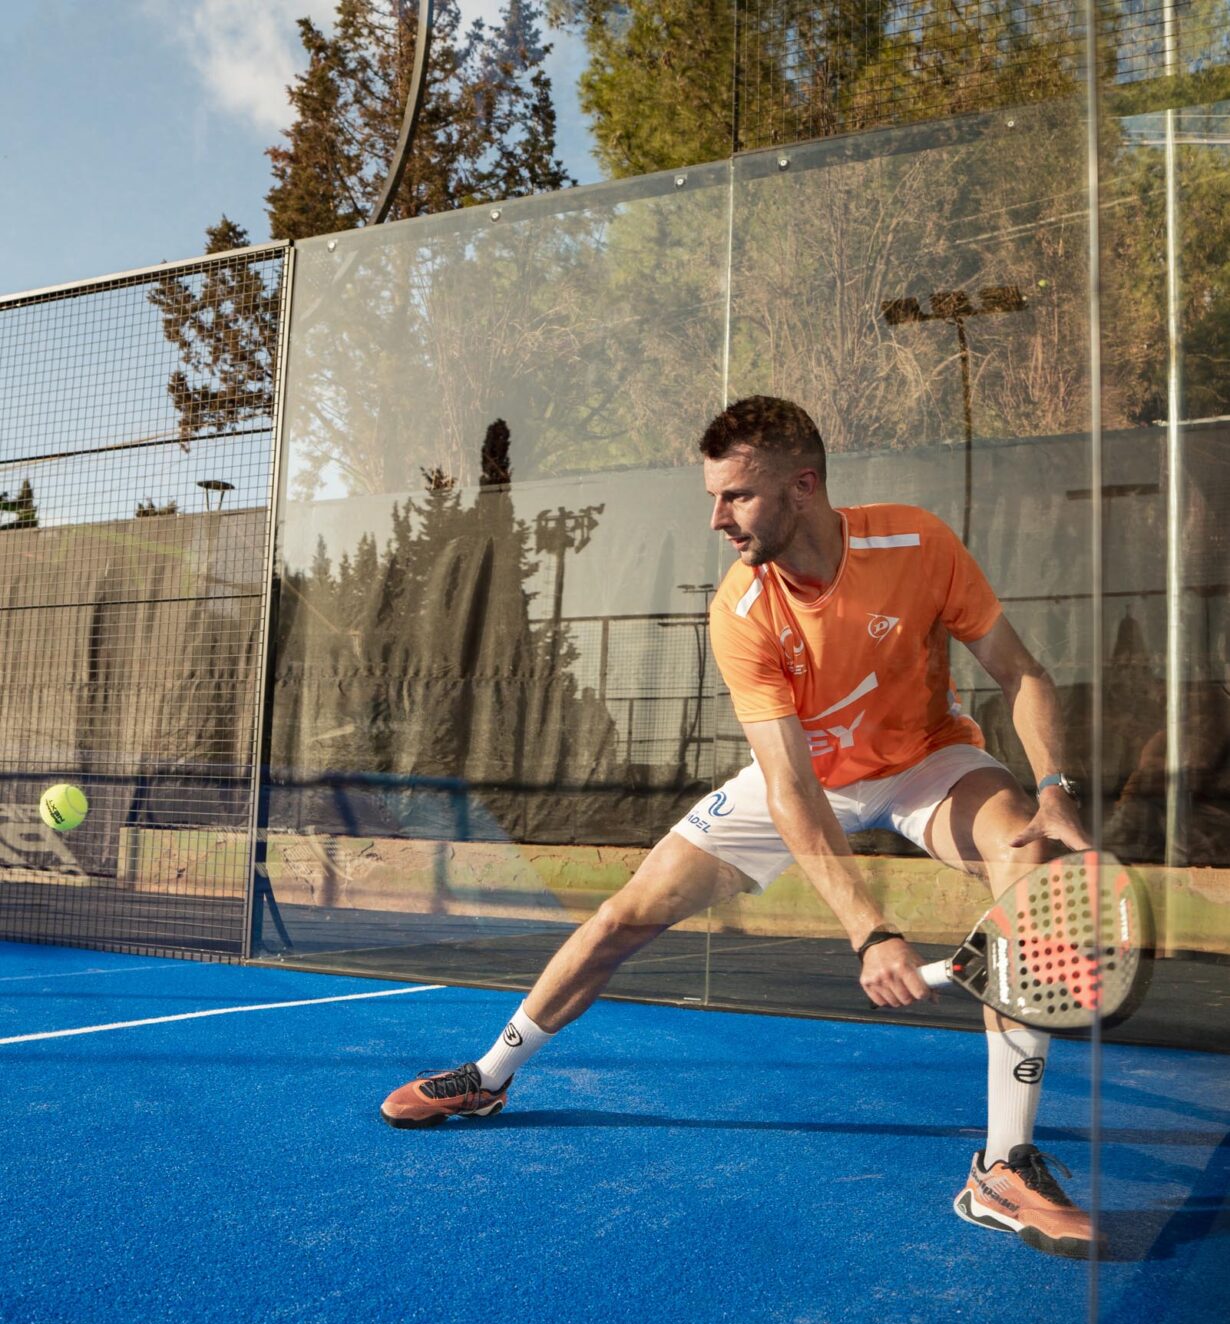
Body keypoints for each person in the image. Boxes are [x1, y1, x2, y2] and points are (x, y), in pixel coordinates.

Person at [381, 396, 1096, 1260]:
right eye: (713, 497)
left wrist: (1053, 788)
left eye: (737, 497)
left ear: (804, 487)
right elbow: (792, 787)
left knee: (1028, 859)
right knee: (618, 920)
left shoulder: (917, 542)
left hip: (926, 760)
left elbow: (1021, 671)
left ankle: (1004, 1166)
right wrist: (871, 932)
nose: (717, 518)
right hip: (804, 776)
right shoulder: (742, 608)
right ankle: (489, 1076)